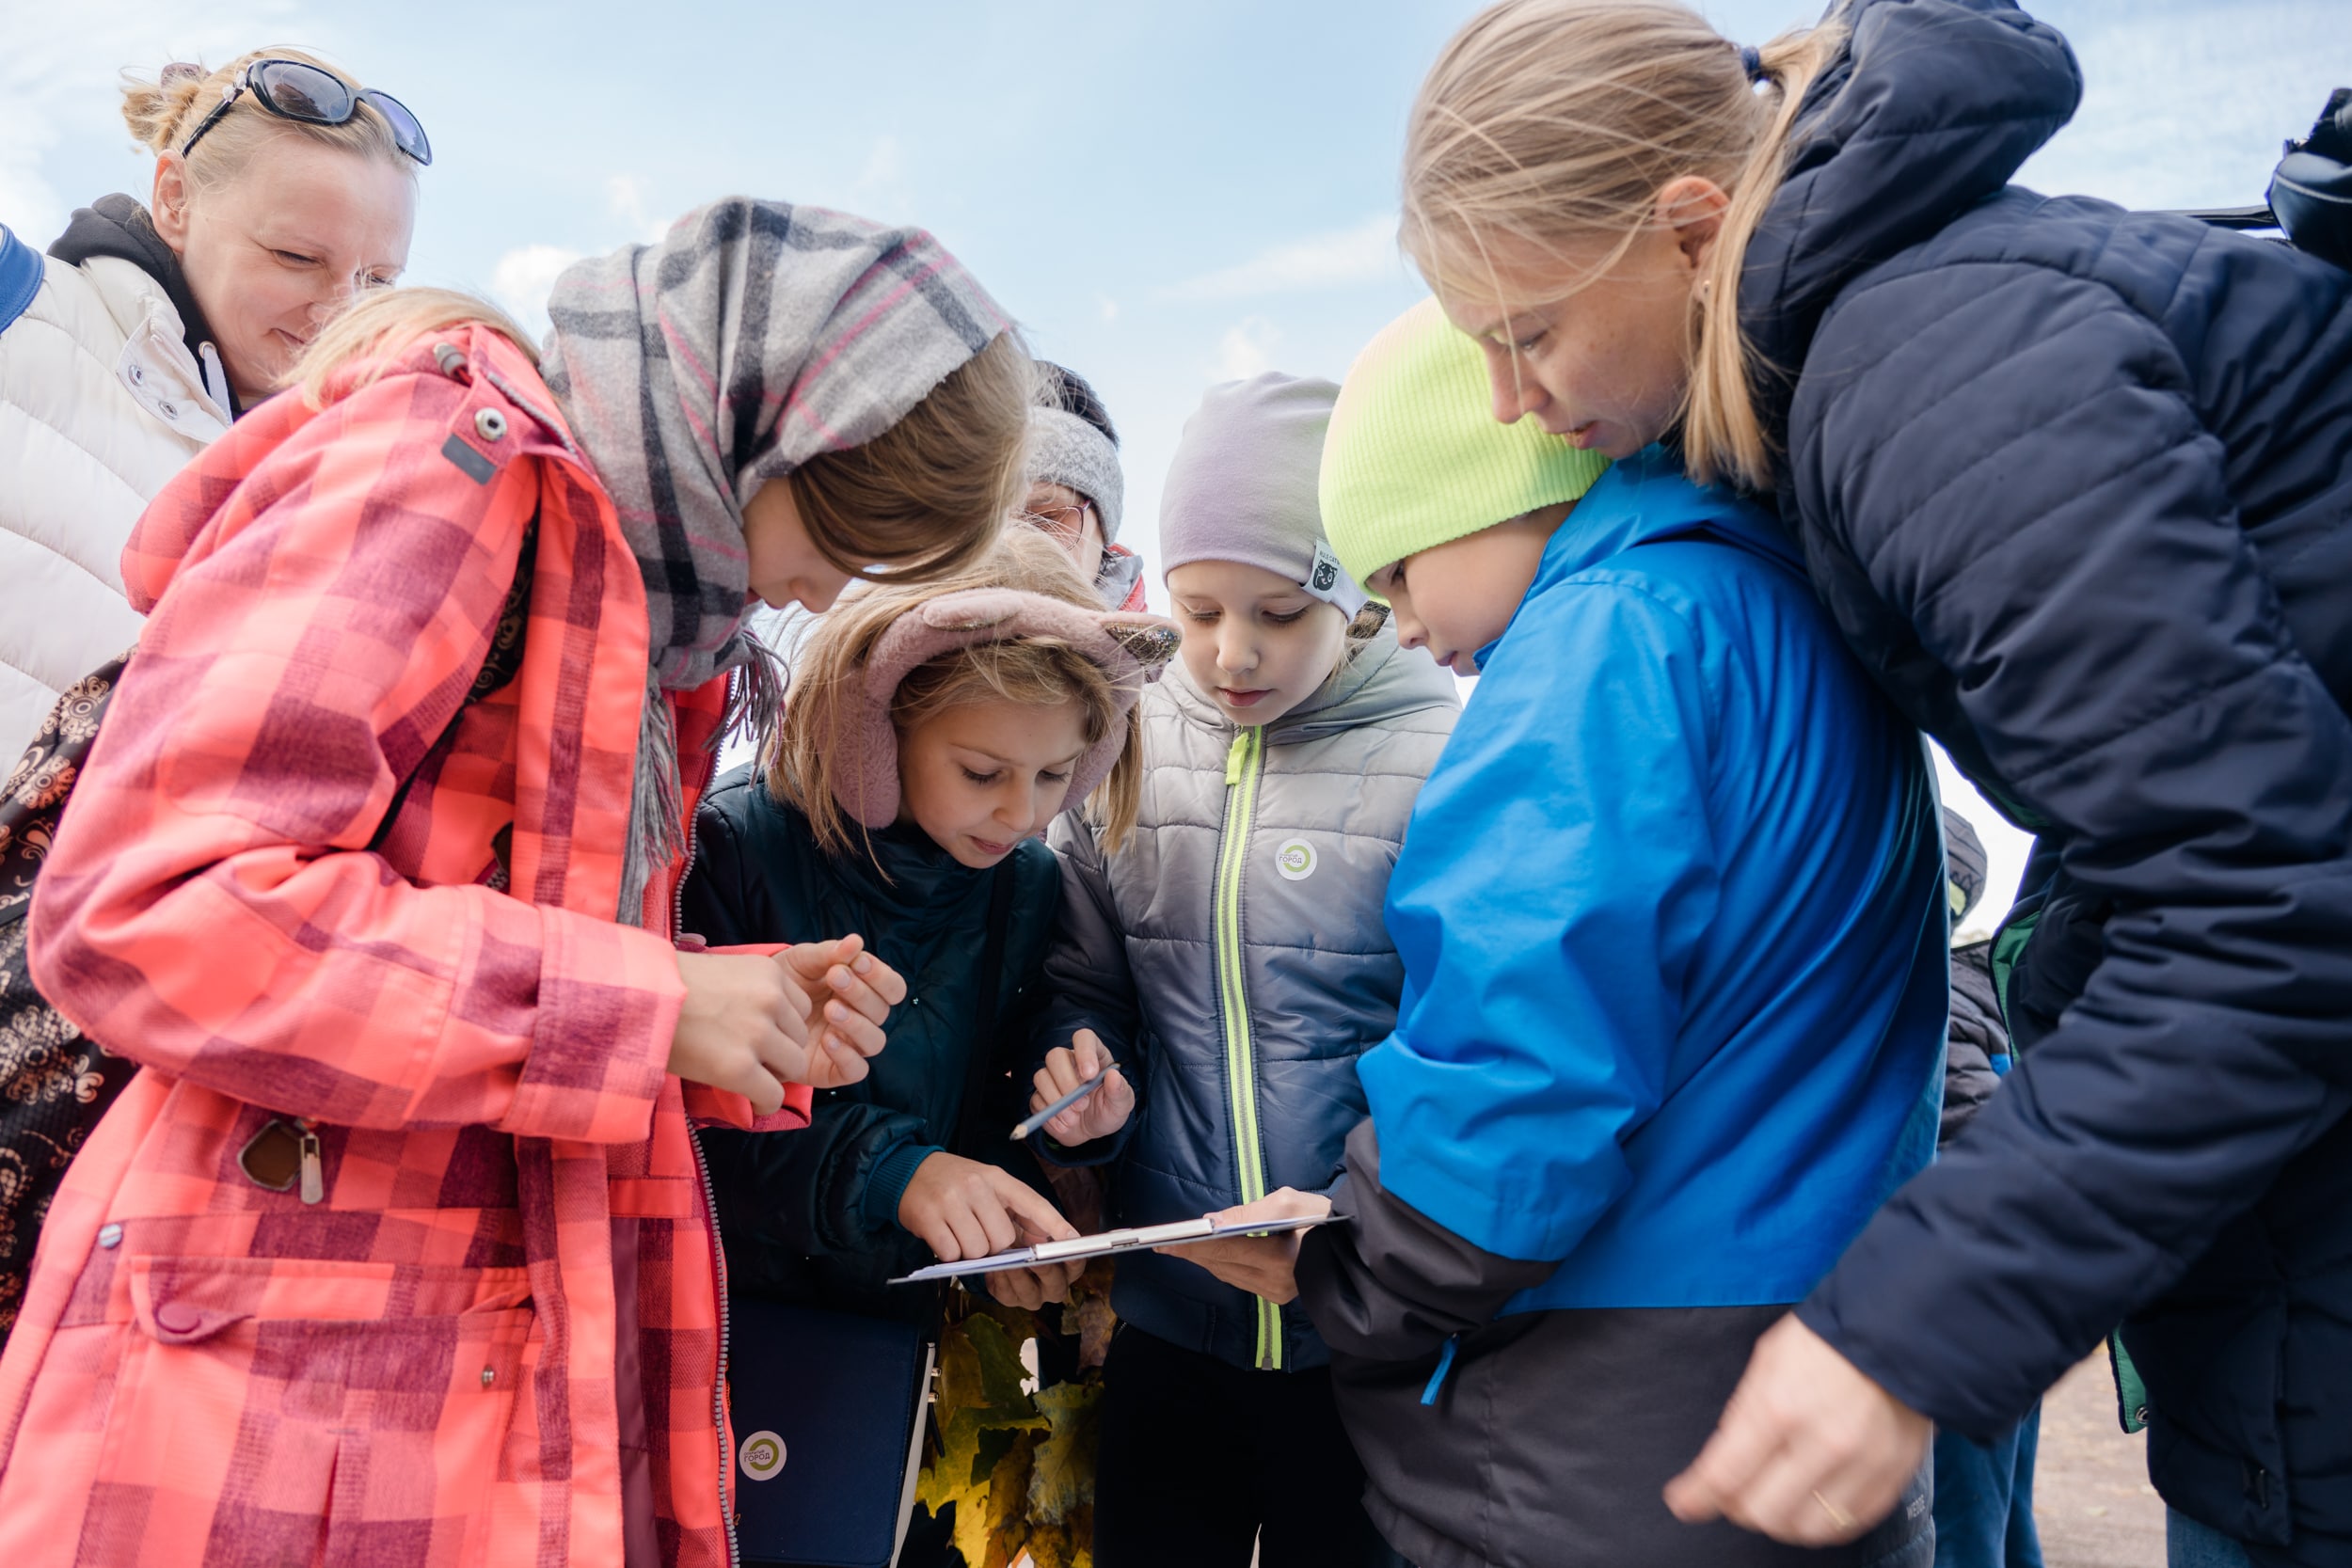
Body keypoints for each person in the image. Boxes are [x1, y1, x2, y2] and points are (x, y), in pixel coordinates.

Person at [1395, 2, 2352, 1563]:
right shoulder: (1917, 334)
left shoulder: (1926, 371)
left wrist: (1904, 1326)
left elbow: (2260, 900)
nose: (1509, 402)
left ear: (1690, 229)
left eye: (1528, 333)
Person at [0, 198, 1033, 1568]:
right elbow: (153, 902)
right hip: (271, 1385)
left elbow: (505, 954)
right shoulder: (447, 470)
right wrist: (648, 1005)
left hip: (434, 1368)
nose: (822, 586)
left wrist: (736, 1019)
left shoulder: (643, 597)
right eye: (848, 534)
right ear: (771, 432)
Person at [1197, 298, 1946, 1568]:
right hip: (1809, 1333)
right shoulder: (1768, 598)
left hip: (1603, 1427)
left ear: (1486, 485)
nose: (1410, 625)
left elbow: (1518, 1058)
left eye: (1398, 571)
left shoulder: (1601, 634)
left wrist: (1349, 1263)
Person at [1025, 372, 1459, 1567]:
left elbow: (1470, 1036)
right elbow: (1088, 978)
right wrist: (1085, 1080)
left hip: (1365, 1336)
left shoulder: (1445, 746)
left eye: (1276, 611)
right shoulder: (1127, 733)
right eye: (1200, 606)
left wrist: (1361, 1230)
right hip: (1172, 1318)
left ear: (1353, 592)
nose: (1229, 652)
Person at [0, 49, 422, 763]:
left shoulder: (340, 487)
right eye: (296, 257)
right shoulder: (19, 311)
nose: (342, 311)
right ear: (175, 200)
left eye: (377, 279)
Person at [1931, 809, 2044, 1568]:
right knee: (2000, 1512)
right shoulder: (1988, 990)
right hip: (2013, 1289)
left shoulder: (1937, 1006)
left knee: (1963, 1523)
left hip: (1960, 1293)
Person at [1021, 360, 1148, 610]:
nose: (1014, 546)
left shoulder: (1185, 648)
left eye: (1045, 518)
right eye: (982, 528)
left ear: (1104, 521)